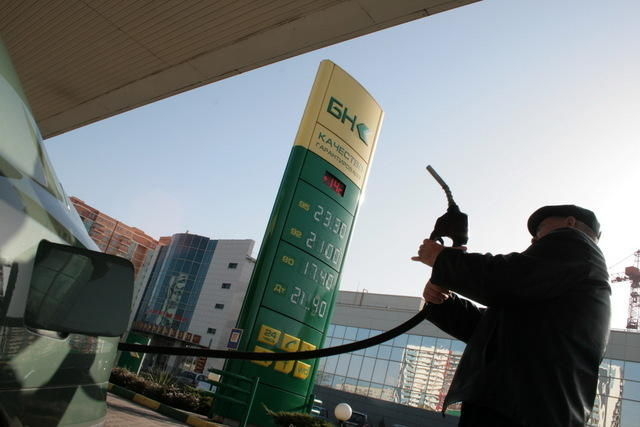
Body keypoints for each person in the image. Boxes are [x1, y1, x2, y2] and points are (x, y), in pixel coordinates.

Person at [411, 205, 611, 426]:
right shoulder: (562, 281)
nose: (533, 240)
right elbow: (490, 331)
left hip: (523, 409)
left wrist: (443, 260)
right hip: (523, 407)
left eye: (539, 230)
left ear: (570, 223)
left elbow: (507, 277)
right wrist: (444, 301)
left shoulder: (575, 243)